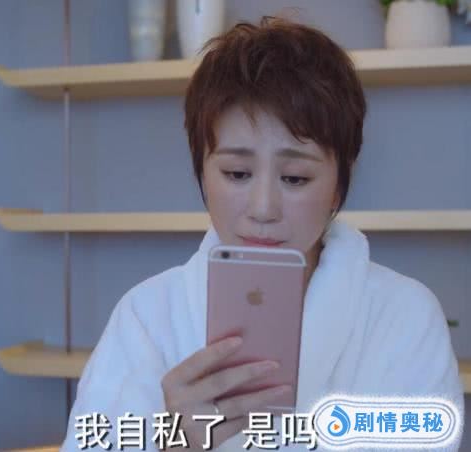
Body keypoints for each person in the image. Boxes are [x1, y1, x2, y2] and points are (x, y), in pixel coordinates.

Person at [61, 17, 464, 451]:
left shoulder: (404, 316)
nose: (263, 208)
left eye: (295, 178)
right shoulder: (146, 317)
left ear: (338, 186)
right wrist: (175, 443)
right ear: (202, 174)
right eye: (237, 173)